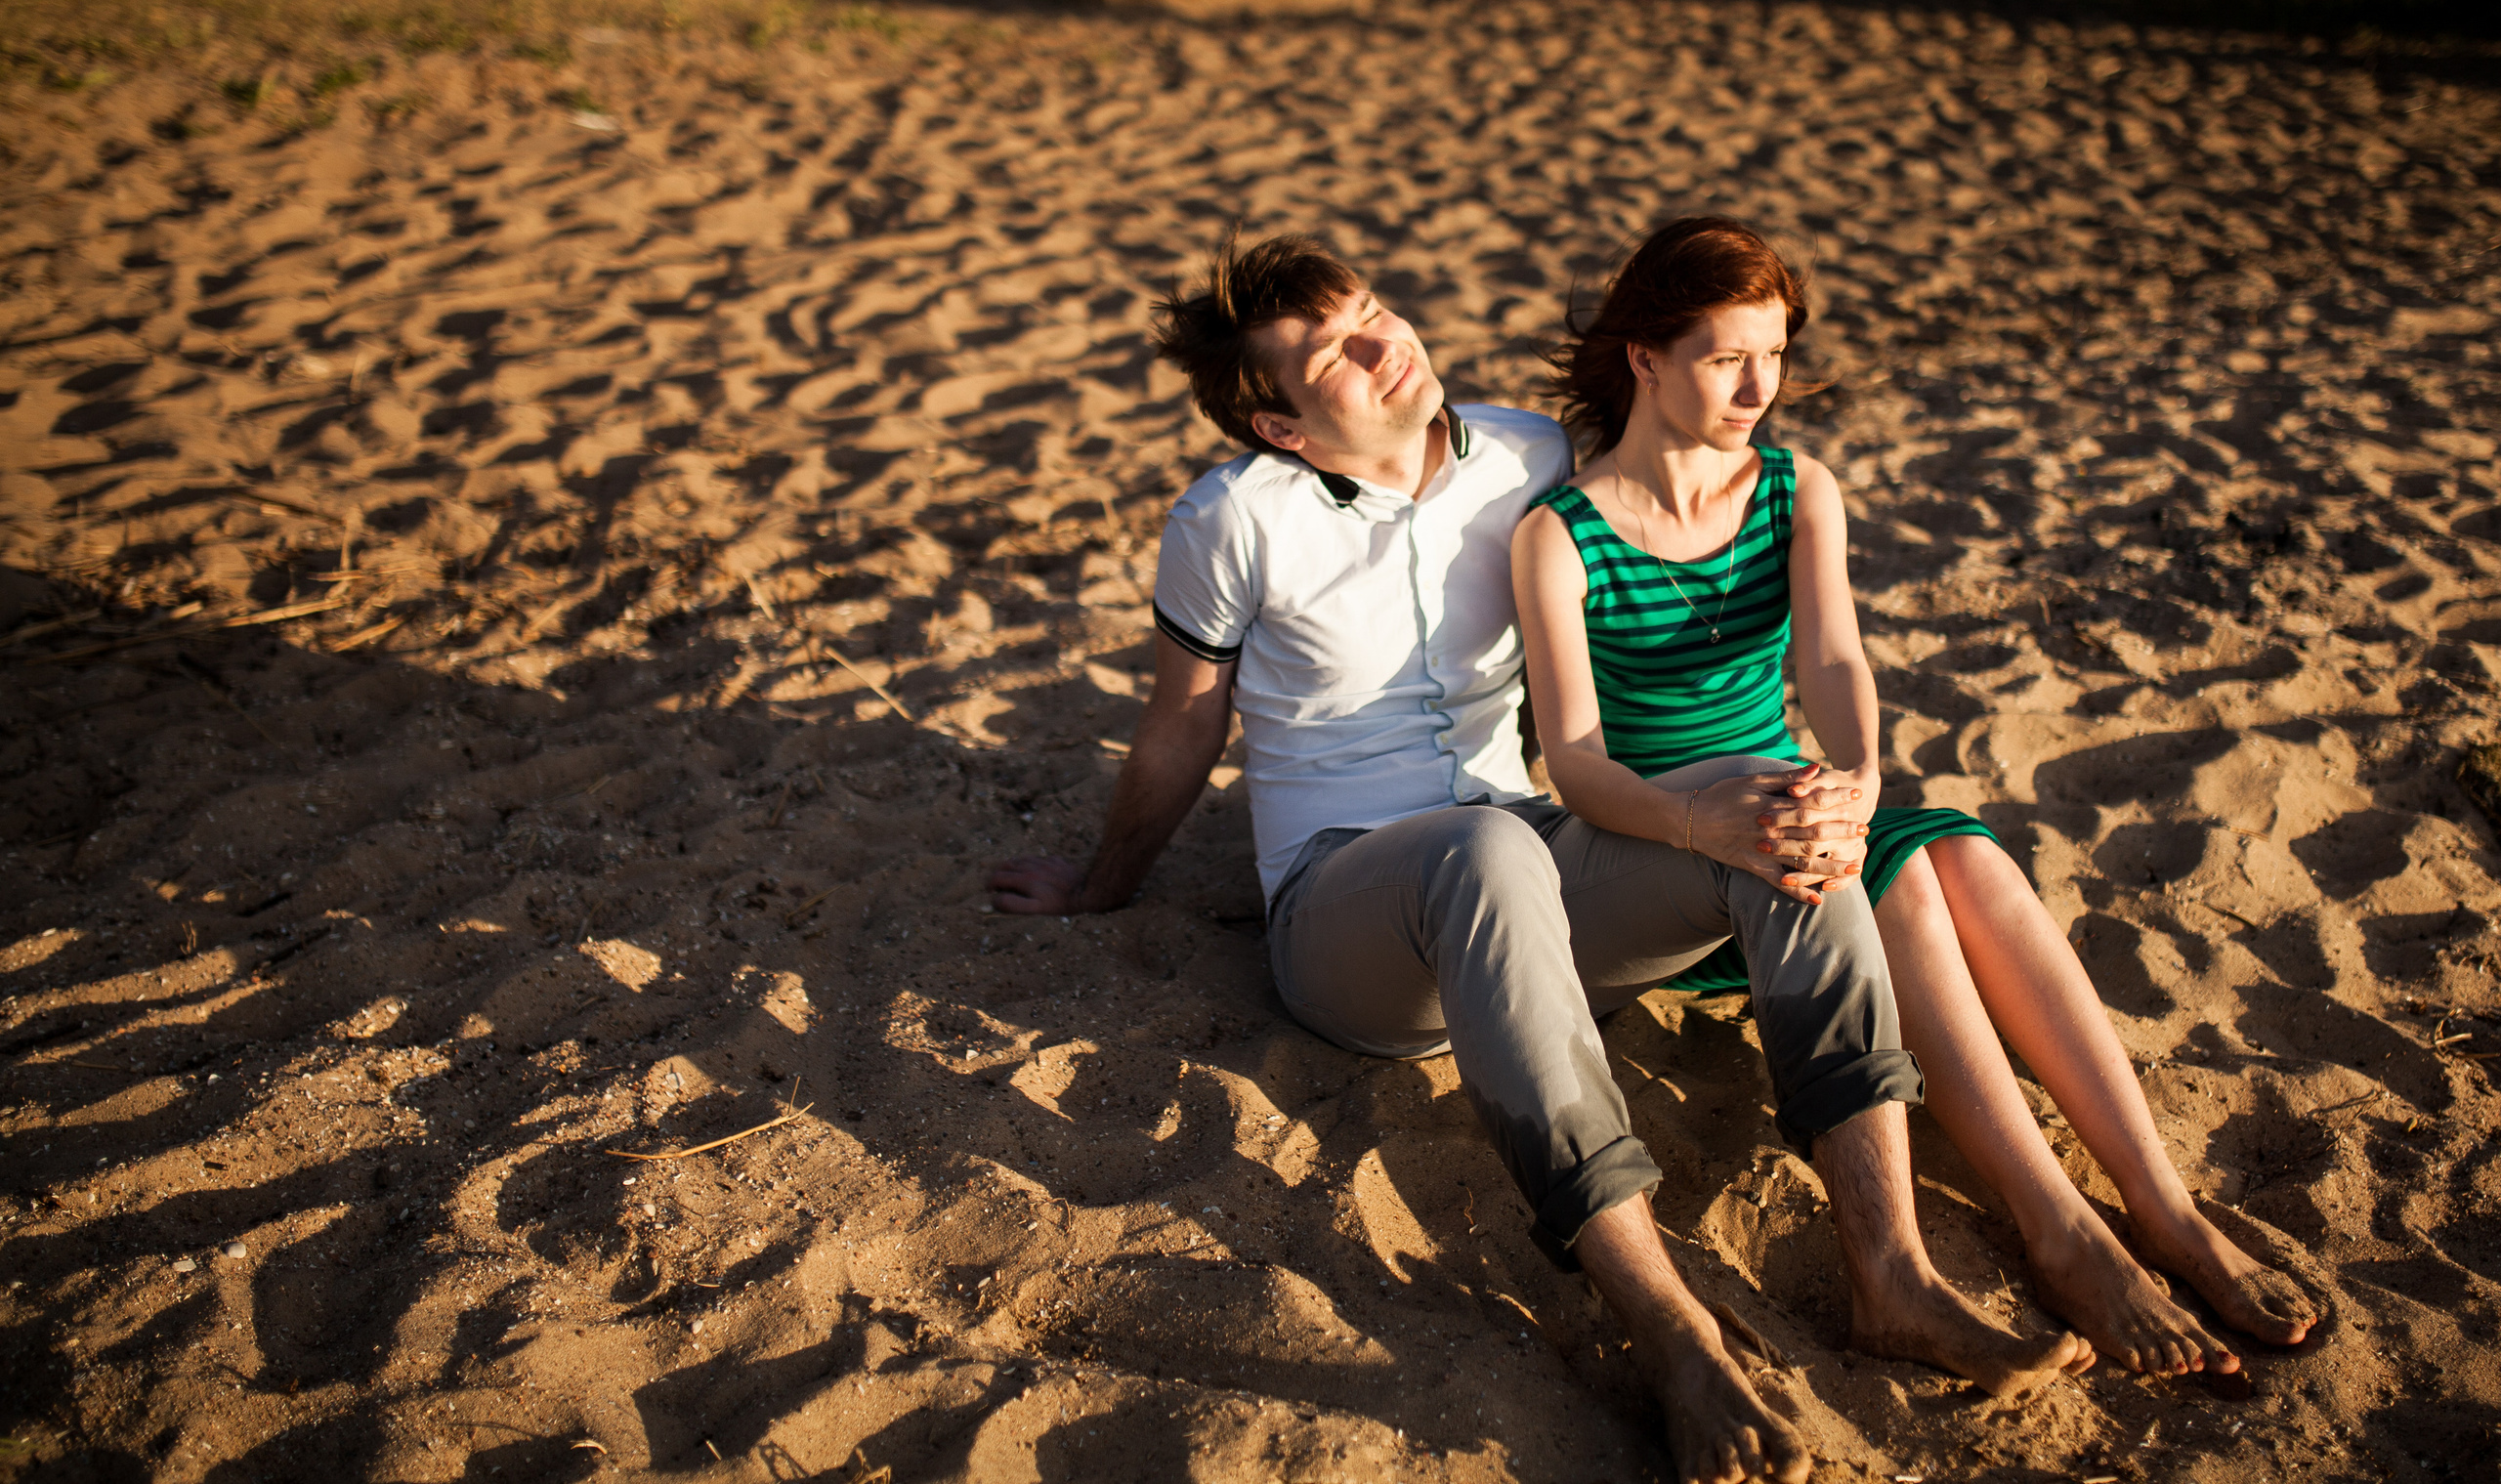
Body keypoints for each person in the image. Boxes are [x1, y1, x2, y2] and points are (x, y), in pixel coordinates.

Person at [990, 233, 2082, 1484]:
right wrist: (1101, 879)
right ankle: (1668, 1326)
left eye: (1377, 311)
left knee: (1771, 813)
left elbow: (1675, 516)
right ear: (1278, 424)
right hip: (1349, 920)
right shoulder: (1234, 518)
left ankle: (1890, 1271)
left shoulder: (1528, 455)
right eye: (1335, 352)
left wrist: (1772, 760)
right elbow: (1183, 725)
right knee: (1480, 847)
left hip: (1542, 880)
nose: (1383, 343)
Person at [1513, 216, 2317, 1381]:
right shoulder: (1562, 533)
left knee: (1965, 857)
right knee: (1905, 881)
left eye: (1774, 355)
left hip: (1798, 810)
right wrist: (1706, 820)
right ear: (1644, 356)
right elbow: (1574, 766)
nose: (1758, 387)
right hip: (1674, 847)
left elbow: (1835, 662)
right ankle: (2061, 1230)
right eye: (1726, 356)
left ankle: (2164, 1209)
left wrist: (1859, 774)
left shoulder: (1795, 488)